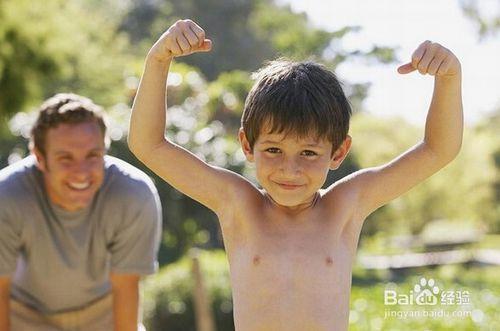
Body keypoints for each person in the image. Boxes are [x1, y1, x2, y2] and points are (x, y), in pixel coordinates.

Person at [129, 19, 462, 331]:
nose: (290, 169)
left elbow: (437, 150)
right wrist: (158, 60)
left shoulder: (345, 206)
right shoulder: (239, 205)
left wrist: (448, 78)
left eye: (309, 153)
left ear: (338, 153)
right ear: (247, 145)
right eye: (273, 150)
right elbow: (149, 144)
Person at [0, 93, 162, 331]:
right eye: (65, 158)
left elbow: (126, 288)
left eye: (92, 156)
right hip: (25, 314)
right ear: (39, 158)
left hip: (103, 313)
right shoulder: (7, 197)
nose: (81, 172)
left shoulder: (133, 195)